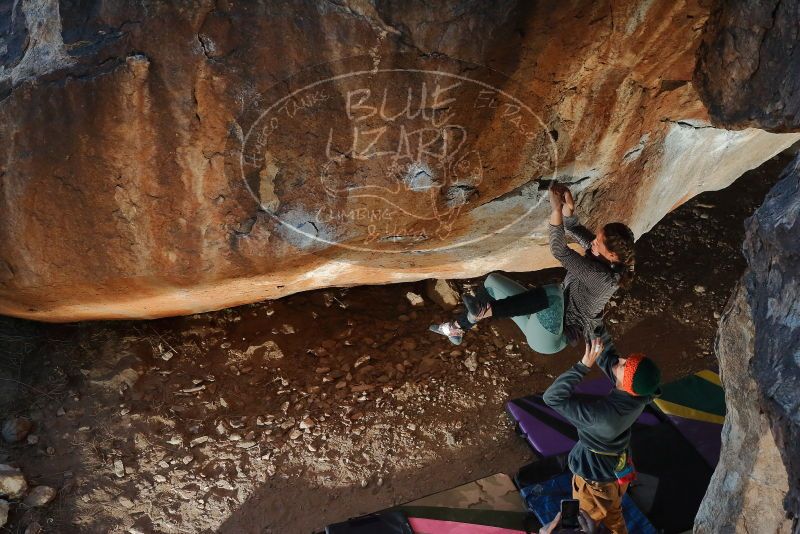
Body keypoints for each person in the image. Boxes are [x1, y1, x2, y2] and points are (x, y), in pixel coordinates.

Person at [429, 182, 636, 353]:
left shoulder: (602, 278)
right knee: (493, 282)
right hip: (538, 317)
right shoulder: (604, 256)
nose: (593, 242)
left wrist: (554, 210)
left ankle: (484, 312)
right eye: (597, 237)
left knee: (555, 293)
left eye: (598, 242)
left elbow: (559, 250)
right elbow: (573, 228)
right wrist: (568, 210)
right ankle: (456, 329)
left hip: (550, 337)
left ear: (611, 255)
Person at [542, 335, 661, 534]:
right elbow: (610, 359)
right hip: (616, 470)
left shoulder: (601, 418)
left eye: (624, 365)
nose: (620, 361)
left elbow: (552, 398)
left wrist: (583, 366)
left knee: (586, 521)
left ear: (626, 384)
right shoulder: (643, 394)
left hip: (594, 482)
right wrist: (593, 327)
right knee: (614, 511)